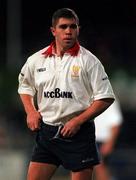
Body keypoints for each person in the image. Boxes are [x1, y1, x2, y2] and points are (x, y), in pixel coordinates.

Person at [18, 8, 115, 180]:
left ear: (78, 29)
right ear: (53, 30)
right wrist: (31, 112)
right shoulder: (36, 59)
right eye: (63, 27)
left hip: (78, 135)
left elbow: (105, 97)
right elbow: (25, 87)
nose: (68, 31)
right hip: (47, 133)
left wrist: (78, 121)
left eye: (73, 27)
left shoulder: (89, 61)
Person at [94, 98, 123, 180]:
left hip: (101, 141)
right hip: (86, 139)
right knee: (80, 168)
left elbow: (116, 122)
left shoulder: (110, 99)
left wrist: (110, 142)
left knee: (100, 167)